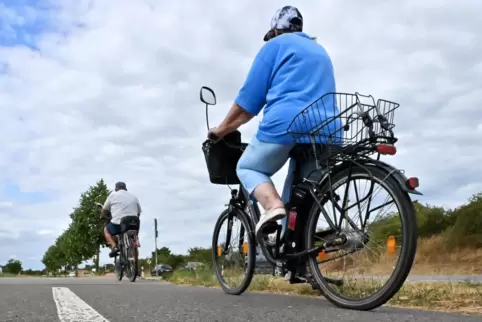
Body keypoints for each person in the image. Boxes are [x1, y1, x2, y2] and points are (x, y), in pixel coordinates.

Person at [207, 6, 341, 241]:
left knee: (248, 167)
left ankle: (271, 207)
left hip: (288, 125)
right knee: (300, 201)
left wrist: (221, 130)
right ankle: (301, 260)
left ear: (276, 31)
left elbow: (247, 103)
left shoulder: (274, 47)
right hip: (328, 130)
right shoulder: (320, 51)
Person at [101, 182, 142, 257]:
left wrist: (103, 216)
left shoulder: (113, 195)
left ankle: (114, 246)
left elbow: (104, 210)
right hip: (134, 223)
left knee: (106, 230)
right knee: (134, 239)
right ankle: (135, 264)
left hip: (118, 223)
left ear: (116, 189)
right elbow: (139, 212)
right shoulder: (134, 197)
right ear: (125, 188)